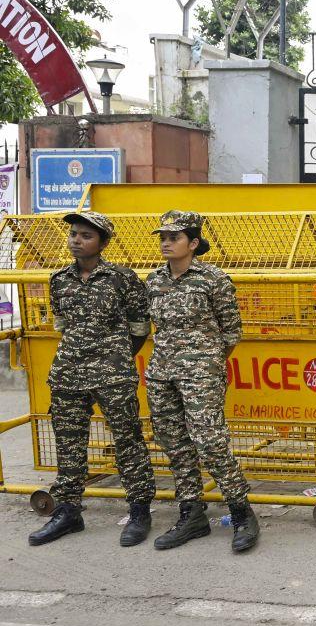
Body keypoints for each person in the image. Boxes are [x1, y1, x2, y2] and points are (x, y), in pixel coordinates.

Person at [28, 211, 156, 547]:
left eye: (86, 236)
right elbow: (62, 325)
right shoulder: (59, 279)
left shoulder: (122, 279)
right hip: (68, 373)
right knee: (68, 443)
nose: (76, 240)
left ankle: (139, 510)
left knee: (127, 441)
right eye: (73, 234)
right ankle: (68, 511)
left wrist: (113, 357)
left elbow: (139, 329)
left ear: (103, 242)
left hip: (113, 375)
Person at [146, 210, 259, 553]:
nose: (166, 243)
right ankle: (191, 513)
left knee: (210, 442)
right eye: (163, 237)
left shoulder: (213, 279)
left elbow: (232, 331)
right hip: (161, 373)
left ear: (193, 243)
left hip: (201, 375)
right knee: (175, 443)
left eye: (174, 237)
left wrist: (205, 363)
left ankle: (241, 512)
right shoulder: (154, 280)